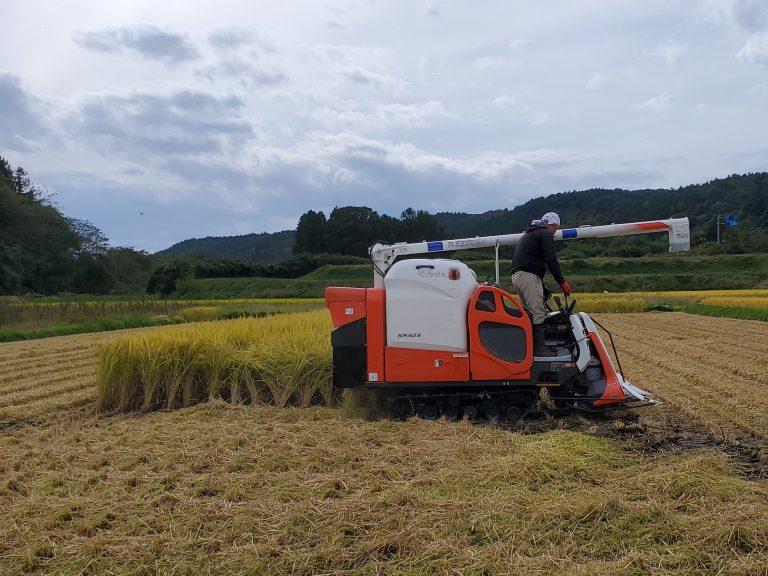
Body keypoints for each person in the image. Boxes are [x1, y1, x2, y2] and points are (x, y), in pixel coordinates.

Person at [510, 212, 572, 355]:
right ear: (552, 225)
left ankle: (528, 349)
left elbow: (530, 262)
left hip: (518, 276)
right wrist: (562, 282)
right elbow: (551, 259)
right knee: (538, 314)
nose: (554, 232)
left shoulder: (530, 234)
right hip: (527, 276)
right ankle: (542, 351)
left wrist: (543, 288)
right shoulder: (544, 233)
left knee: (529, 314)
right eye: (555, 229)